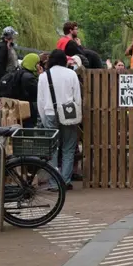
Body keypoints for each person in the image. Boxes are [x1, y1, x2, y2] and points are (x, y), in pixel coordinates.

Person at [38, 49, 82, 190]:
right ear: (64, 60)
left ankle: (53, 183)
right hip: (68, 113)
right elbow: (77, 98)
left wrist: (44, 118)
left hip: (50, 113)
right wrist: (78, 116)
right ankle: (65, 180)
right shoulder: (71, 74)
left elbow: (41, 100)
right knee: (69, 147)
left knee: (52, 149)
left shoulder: (44, 76)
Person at [0, 27, 19, 107]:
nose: (14, 38)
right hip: (5, 79)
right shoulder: (2, 47)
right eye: (13, 36)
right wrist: (4, 79)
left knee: (4, 101)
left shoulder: (8, 46)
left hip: (8, 78)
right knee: (2, 102)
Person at [18, 53, 41, 128]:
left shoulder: (19, 73)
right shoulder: (29, 78)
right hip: (28, 110)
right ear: (32, 63)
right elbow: (39, 92)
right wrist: (41, 76)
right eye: (37, 63)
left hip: (20, 107)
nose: (39, 66)